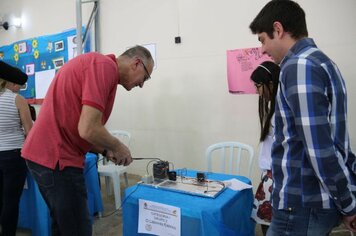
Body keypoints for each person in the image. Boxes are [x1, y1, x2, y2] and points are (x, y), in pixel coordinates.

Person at [21, 45, 154, 236]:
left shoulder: (101, 67)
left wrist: (106, 151)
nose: (141, 84)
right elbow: (88, 128)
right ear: (136, 63)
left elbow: (79, 126)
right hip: (56, 159)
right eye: (146, 77)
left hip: (46, 155)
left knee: (64, 225)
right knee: (76, 228)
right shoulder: (104, 67)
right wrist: (118, 146)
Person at [250, 1, 356, 235]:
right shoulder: (321, 62)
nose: (262, 50)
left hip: (300, 205)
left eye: (262, 40)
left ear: (278, 29)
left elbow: (320, 150)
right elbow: (335, 142)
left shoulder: (300, 66)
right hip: (308, 203)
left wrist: (348, 205)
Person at [0, 61, 33, 236]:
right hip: (13, 156)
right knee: (11, 201)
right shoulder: (17, 99)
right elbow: (30, 132)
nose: (19, 88)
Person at [250, 61, 280, 236]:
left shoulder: (281, 114)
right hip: (269, 176)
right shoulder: (273, 110)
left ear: (271, 83)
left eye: (258, 86)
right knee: (266, 224)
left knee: (270, 227)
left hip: (276, 177)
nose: (256, 91)